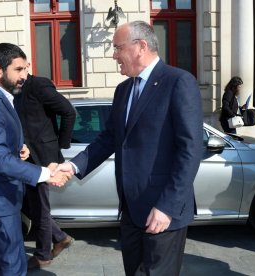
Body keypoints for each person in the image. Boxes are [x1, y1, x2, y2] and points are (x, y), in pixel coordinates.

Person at [56, 21, 203, 276]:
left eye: (117, 48)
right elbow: (109, 138)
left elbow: (190, 150)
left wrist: (167, 206)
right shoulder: (123, 90)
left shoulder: (178, 82)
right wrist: (72, 165)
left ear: (140, 47)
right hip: (131, 210)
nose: (114, 55)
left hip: (162, 210)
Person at [0, 43, 70, 276]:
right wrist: (45, 173)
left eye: (26, 69)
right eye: (19, 70)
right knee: (15, 267)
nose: (25, 75)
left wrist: (16, 148)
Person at [13, 70, 76, 269]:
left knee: (39, 207)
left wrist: (61, 146)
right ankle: (60, 237)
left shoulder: (38, 85)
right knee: (26, 204)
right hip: (26, 159)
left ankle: (42, 255)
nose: (19, 73)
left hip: (44, 158)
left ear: (27, 67)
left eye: (21, 68)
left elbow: (68, 111)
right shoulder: (16, 91)